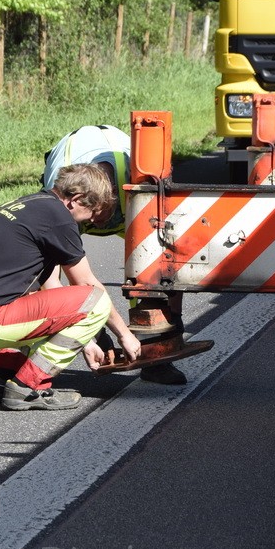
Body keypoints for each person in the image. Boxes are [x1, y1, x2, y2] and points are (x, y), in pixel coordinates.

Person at [0, 163, 142, 411]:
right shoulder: (59, 220)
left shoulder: (33, 205)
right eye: (92, 212)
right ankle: (28, 387)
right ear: (76, 200)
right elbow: (87, 284)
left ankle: (1, 380)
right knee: (97, 301)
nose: (91, 221)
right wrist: (125, 335)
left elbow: (52, 291)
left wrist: (86, 341)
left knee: (31, 298)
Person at [39, 125, 188, 386]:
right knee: (39, 276)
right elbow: (58, 280)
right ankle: (30, 365)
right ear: (79, 201)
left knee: (154, 264)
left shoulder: (138, 183)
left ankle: (156, 355)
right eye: (94, 216)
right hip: (78, 201)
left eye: (102, 215)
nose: (97, 223)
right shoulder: (63, 199)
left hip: (128, 198)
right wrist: (89, 330)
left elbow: (167, 264)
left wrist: (170, 325)